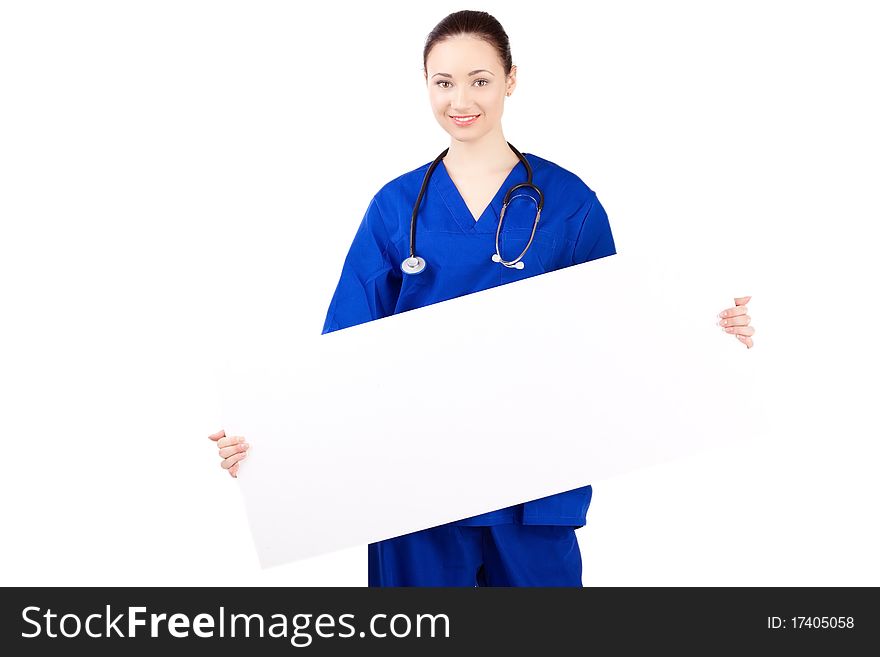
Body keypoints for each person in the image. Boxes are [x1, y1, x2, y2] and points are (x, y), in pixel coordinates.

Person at [208, 10, 756, 587]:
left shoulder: (569, 204)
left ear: (511, 80)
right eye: (443, 83)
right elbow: (339, 359)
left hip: (535, 488)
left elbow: (621, 339)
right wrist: (269, 448)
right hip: (412, 494)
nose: (460, 99)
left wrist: (710, 333)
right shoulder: (396, 209)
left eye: (480, 79)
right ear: (426, 86)